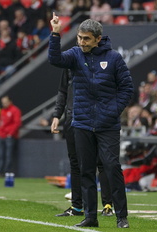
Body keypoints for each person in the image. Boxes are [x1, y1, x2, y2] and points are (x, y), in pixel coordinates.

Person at [49, 15, 133, 228]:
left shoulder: (114, 58)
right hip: (82, 124)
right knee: (86, 170)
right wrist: (55, 34)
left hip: (108, 125)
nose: (81, 43)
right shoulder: (75, 55)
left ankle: (121, 216)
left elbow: (127, 88)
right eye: (79, 38)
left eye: (86, 39)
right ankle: (90, 217)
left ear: (98, 39)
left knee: (112, 166)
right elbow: (55, 59)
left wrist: (113, 111)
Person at [51, 69, 114, 217]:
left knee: (101, 161)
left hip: (96, 118)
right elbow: (62, 91)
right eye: (79, 42)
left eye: (84, 42)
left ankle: (107, 205)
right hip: (72, 118)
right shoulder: (69, 65)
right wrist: (56, 115)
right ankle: (77, 206)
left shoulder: (101, 62)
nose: (81, 44)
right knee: (75, 163)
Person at [0, 95, 22, 176]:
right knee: (1, 155)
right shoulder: (2, 111)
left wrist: (10, 134)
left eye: (5, 102)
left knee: (8, 155)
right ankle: (0, 172)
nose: (4, 104)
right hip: (1, 136)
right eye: (3, 103)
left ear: (10, 102)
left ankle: (7, 172)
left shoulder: (15, 110)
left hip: (10, 137)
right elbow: (0, 122)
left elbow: (17, 123)